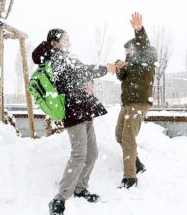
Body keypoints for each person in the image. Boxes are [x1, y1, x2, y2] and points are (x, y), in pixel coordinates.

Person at [32, 28, 120, 215]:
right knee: (79, 155)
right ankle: (59, 198)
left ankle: (80, 188)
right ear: (54, 42)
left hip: (84, 109)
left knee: (92, 153)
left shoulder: (65, 55)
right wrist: (106, 69)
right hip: (73, 111)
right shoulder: (56, 57)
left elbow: (81, 74)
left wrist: (90, 83)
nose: (69, 41)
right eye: (65, 38)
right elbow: (80, 72)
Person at [115, 12, 157, 189]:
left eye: (128, 50)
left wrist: (138, 30)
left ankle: (130, 178)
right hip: (127, 103)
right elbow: (122, 77)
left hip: (139, 103)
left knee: (128, 137)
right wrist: (119, 67)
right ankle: (137, 163)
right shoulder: (130, 63)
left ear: (135, 48)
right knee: (119, 135)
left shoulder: (146, 56)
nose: (127, 54)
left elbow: (143, 43)